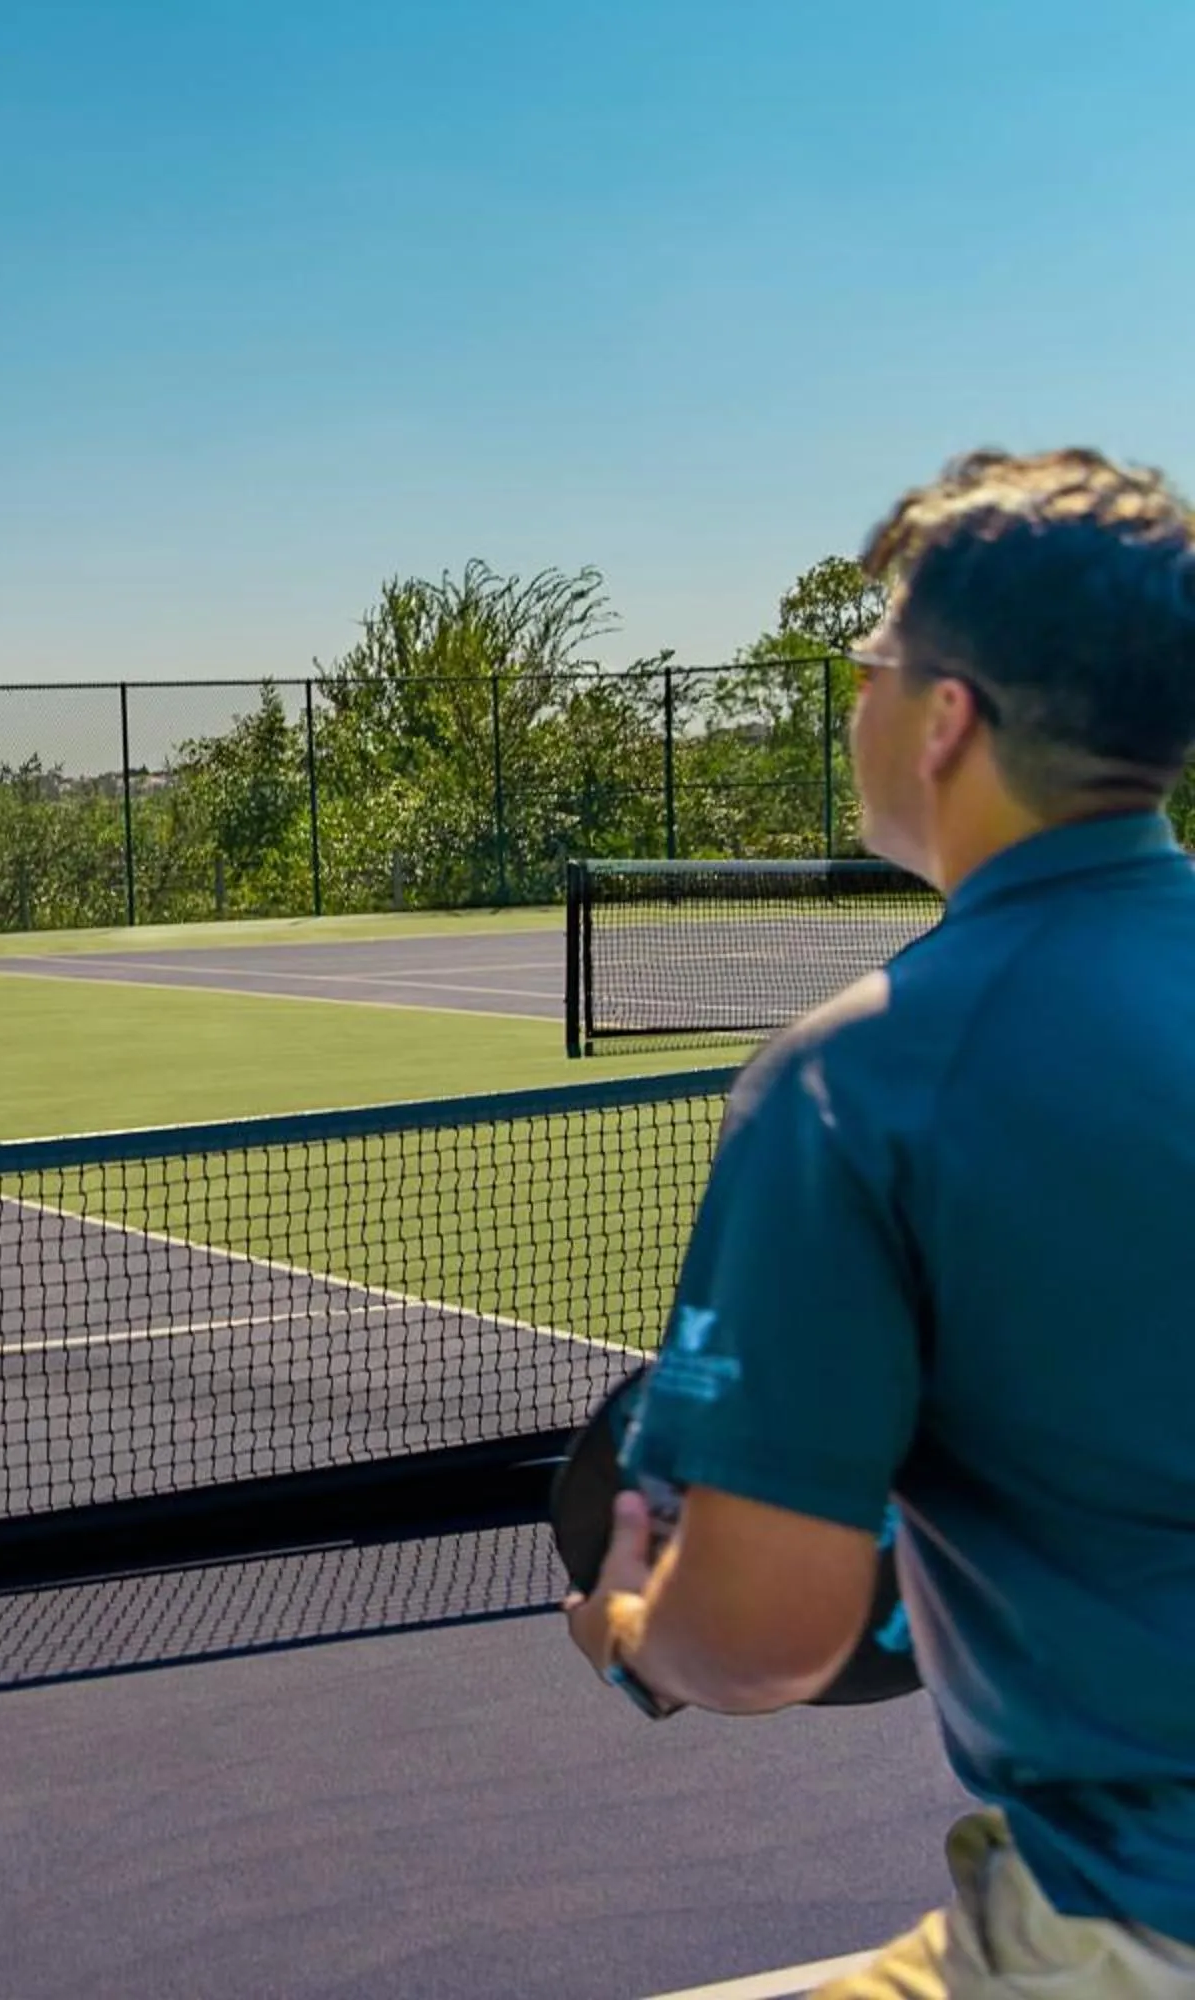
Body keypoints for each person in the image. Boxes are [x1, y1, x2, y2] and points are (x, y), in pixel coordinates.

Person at [562, 449, 1195, 1996]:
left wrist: (637, 1626)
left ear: (945, 719)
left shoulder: (854, 1082)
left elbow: (764, 1634)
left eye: (871, 663)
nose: (857, 694)